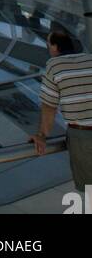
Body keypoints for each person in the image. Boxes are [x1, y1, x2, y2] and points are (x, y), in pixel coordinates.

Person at [31, 29, 92, 191]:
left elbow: (49, 106)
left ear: (55, 47)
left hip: (83, 136)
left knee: (90, 188)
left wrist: (42, 135)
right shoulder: (90, 59)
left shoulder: (54, 65)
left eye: (48, 45)